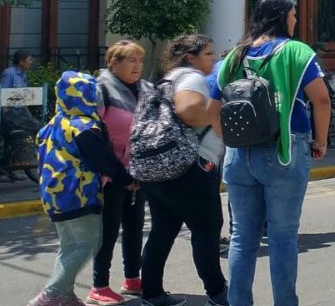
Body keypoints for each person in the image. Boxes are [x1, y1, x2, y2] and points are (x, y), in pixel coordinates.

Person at [217, 0, 331, 306]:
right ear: (282, 16)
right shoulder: (295, 51)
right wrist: (320, 142)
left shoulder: (235, 55)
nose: (295, 20)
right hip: (284, 150)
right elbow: (321, 99)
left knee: (242, 236)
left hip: (239, 155)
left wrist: (228, 140)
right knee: (282, 236)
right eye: (293, 14)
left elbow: (214, 104)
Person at [29, 71, 135, 306]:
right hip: (79, 195)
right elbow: (103, 161)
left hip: (53, 196)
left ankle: (65, 295)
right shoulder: (85, 127)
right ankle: (51, 293)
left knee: (69, 246)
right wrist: (127, 180)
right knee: (88, 243)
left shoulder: (55, 122)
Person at [138, 35, 228, 306]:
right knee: (207, 230)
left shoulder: (165, 80)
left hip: (158, 168)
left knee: (162, 231)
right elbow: (188, 110)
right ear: (191, 57)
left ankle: (151, 293)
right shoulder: (191, 77)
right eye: (208, 54)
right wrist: (218, 117)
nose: (213, 59)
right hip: (192, 167)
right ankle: (218, 293)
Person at [88, 41, 152, 305]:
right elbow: (93, 134)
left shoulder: (146, 88)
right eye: (130, 60)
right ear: (113, 63)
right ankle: (99, 285)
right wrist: (115, 171)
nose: (137, 66)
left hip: (139, 170)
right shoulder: (100, 88)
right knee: (108, 230)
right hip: (110, 173)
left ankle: (132, 278)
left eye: (140, 60)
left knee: (135, 226)